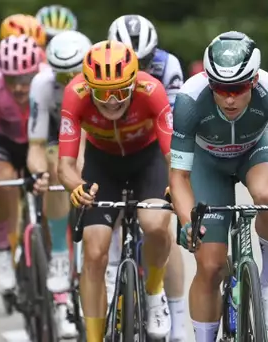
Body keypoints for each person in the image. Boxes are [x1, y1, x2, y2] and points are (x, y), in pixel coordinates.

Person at [169, 31, 268, 342]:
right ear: (209, 82)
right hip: (207, 163)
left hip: (256, 151)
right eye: (220, 89)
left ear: (253, 80)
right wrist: (187, 223)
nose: (229, 98)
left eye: (237, 88)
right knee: (209, 267)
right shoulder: (188, 101)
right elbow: (179, 176)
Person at [58, 40, 174, 341]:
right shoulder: (74, 94)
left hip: (146, 162)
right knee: (94, 252)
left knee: (155, 225)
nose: (111, 101)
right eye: (102, 93)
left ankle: (154, 290)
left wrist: (177, 186)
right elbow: (66, 166)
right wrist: (77, 187)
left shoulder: (152, 91)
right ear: (88, 86)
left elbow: (173, 156)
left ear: (134, 84)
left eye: (121, 92)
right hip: (102, 167)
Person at [107, 15, 187, 340]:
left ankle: (178, 322)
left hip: (154, 145)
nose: (137, 68)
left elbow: (176, 123)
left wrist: (177, 179)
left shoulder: (168, 67)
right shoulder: (101, 66)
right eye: (131, 60)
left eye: (144, 61)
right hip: (112, 148)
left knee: (161, 226)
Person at [27, 30, 92, 339]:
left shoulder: (99, 78)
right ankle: (59, 254)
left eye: (74, 73)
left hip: (94, 135)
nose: (69, 81)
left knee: (84, 164)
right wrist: (39, 173)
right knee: (55, 167)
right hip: (58, 138)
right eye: (61, 74)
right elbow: (36, 144)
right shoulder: (41, 84)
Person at [0, 35, 48, 293]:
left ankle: (57, 259)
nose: (18, 87)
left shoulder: (48, 79)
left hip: (38, 142)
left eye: (25, 79)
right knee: (2, 180)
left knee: (53, 190)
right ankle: (2, 249)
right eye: (11, 79)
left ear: (36, 72)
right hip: (5, 142)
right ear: (1, 74)